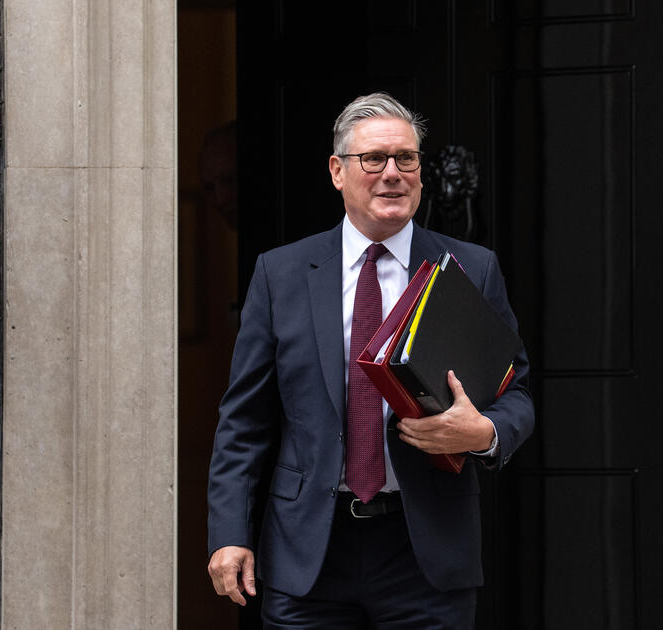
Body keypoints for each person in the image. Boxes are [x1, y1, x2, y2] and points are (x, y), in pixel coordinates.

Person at [206, 92, 535, 629]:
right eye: (373, 160)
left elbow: (516, 393)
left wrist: (483, 433)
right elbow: (244, 421)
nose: (393, 174)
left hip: (425, 553)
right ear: (337, 171)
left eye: (406, 159)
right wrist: (229, 533)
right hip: (308, 549)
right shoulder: (281, 275)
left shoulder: (469, 269)